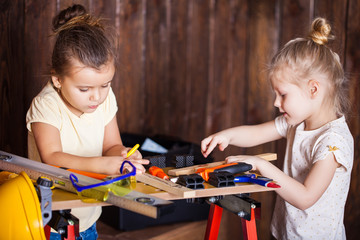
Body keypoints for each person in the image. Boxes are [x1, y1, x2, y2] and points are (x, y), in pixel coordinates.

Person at [201, 17, 353, 240]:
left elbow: (306, 197)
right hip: (283, 232)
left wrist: (261, 165)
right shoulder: (297, 122)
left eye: (283, 94)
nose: (275, 102)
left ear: (313, 89)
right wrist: (226, 135)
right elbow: (256, 133)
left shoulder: (333, 142)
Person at [26, 4, 149, 239]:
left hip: (87, 216)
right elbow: (52, 159)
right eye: (84, 89)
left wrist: (122, 154)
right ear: (58, 79)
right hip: (48, 221)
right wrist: (107, 165)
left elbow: (111, 145)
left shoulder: (104, 99)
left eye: (105, 85)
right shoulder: (46, 105)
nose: (97, 96)